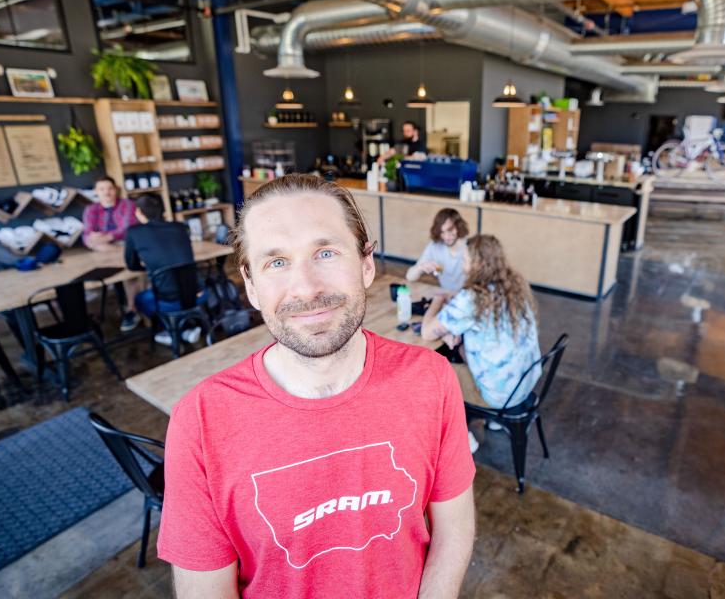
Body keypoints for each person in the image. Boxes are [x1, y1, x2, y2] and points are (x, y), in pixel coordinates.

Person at [158, 174, 476, 598]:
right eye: (276, 262)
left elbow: (453, 529)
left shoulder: (432, 378)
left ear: (366, 264)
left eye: (325, 252)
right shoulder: (198, 421)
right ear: (250, 286)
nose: (306, 288)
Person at [421, 234, 541, 443]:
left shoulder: (472, 299)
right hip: (525, 382)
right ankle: (493, 421)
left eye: (465, 259)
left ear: (479, 264)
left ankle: (462, 439)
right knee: (457, 347)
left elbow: (427, 332)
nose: (462, 263)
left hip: (500, 395)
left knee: (433, 378)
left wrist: (438, 300)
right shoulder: (514, 286)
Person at [123, 194, 202, 346]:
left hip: (167, 300)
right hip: (196, 293)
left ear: (139, 212)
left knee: (140, 299)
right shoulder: (180, 227)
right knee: (173, 289)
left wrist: (149, 267)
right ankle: (186, 328)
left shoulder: (134, 232)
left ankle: (171, 330)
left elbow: (131, 265)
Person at [82, 176, 140, 332]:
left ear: (115, 190)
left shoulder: (127, 205)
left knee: (130, 271)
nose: (106, 192)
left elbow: (127, 228)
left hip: (123, 243)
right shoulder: (91, 209)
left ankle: (131, 310)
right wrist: (97, 240)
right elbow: (87, 234)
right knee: (93, 246)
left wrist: (107, 237)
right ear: (96, 192)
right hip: (103, 248)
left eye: (109, 188)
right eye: (102, 189)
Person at [406, 208, 469, 294]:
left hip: (466, 296)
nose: (446, 237)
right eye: (442, 232)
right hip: (446, 294)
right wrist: (420, 267)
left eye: (450, 231)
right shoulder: (434, 246)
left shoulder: (469, 246)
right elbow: (410, 277)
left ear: (459, 227)